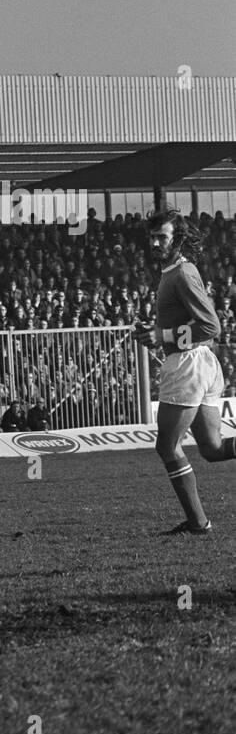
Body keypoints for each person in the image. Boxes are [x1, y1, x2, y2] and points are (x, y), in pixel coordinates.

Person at [134, 209, 236, 535]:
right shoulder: (173, 273)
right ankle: (197, 522)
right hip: (200, 362)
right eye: (152, 237)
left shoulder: (181, 273)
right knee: (212, 449)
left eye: (161, 236)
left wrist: (161, 336)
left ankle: (198, 523)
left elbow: (211, 326)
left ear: (177, 238)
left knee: (166, 446)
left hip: (188, 363)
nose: (155, 242)